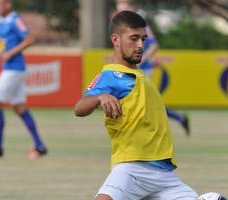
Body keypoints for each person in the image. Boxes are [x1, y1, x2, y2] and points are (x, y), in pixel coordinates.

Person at [75, 10, 197, 200]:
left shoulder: (142, 76)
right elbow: (80, 108)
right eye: (134, 39)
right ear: (116, 40)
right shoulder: (111, 75)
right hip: (132, 168)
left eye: (143, 38)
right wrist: (100, 97)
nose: (141, 45)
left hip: (165, 176)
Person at [0, 0, 47, 160]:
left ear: (8, 4)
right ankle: (39, 146)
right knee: (20, 108)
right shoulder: (2, 21)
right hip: (12, 69)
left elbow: (30, 39)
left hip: (14, 69)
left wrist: (12, 53)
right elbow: (3, 44)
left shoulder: (15, 19)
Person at [115, 0, 190, 135]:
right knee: (145, 102)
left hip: (141, 70)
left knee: (139, 101)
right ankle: (179, 118)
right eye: (120, 10)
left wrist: (141, 60)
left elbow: (154, 45)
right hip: (128, 69)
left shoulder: (140, 25)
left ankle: (141, 131)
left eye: (124, 10)